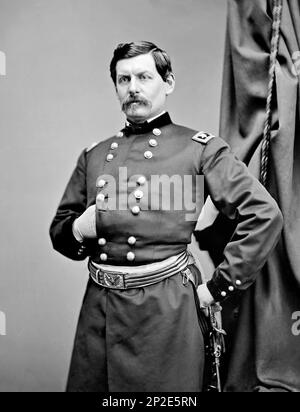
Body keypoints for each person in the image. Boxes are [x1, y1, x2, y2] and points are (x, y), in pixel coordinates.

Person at [49, 41, 283, 392]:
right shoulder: (95, 155)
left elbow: (263, 215)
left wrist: (217, 289)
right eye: (123, 79)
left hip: (167, 312)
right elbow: (60, 232)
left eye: (144, 76)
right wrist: (81, 228)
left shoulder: (200, 149)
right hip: (100, 310)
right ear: (115, 87)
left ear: (168, 82)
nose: (133, 87)